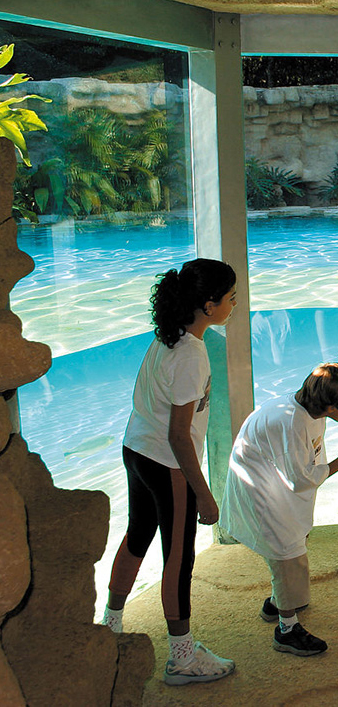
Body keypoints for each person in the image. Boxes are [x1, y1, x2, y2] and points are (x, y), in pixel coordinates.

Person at [100, 258, 239, 686]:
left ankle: (110, 626)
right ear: (209, 305)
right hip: (166, 461)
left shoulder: (169, 338)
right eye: (231, 298)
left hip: (136, 449)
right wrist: (205, 494)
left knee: (138, 534)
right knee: (179, 558)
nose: (235, 303)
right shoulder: (192, 356)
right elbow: (180, 436)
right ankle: (181, 656)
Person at [219, 363, 338, 656]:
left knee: (293, 545)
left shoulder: (307, 408)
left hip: (275, 484)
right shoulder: (291, 422)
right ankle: (287, 630)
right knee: (287, 554)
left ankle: (278, 602)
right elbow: (298, 479)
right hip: (261, 492)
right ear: (329, 404)